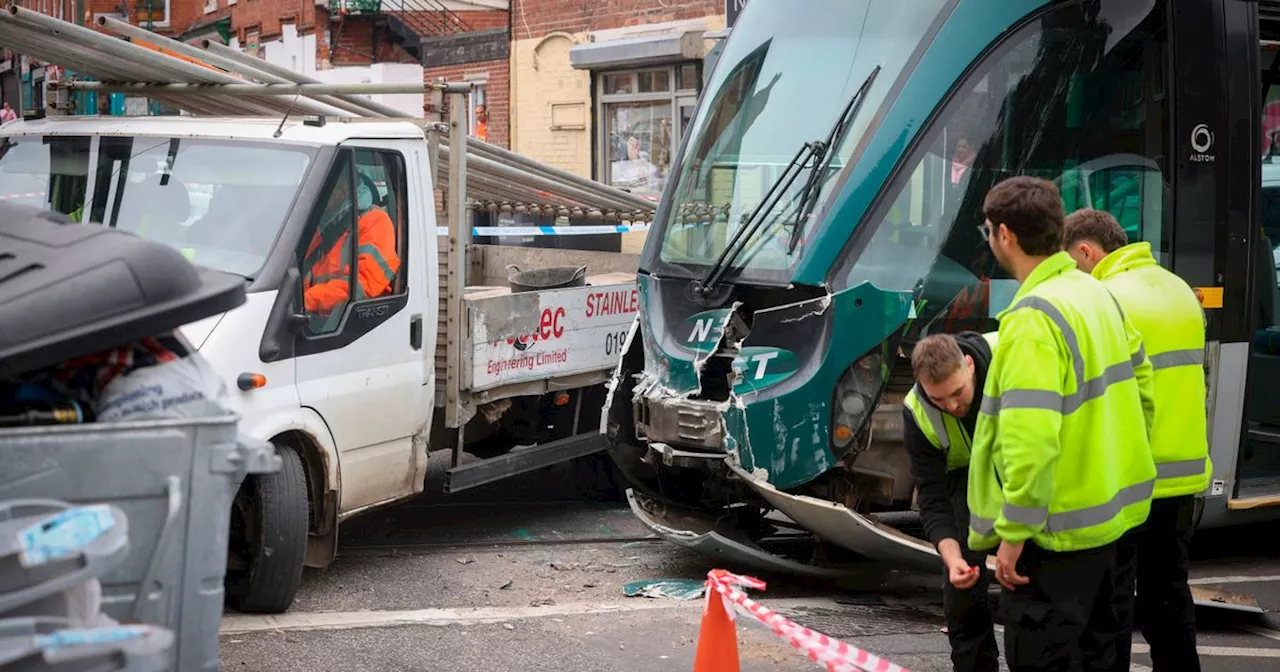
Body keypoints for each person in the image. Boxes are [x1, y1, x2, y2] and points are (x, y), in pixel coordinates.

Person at [967, 176, 1157, 672]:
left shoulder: (1033, 317)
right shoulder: (1096, 293)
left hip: (1056, 541)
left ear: (1004, 235)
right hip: (1113, 524)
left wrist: (1013, 535)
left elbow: (1030, 445)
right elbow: (1143, 389)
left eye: (988, 230)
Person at [1063, 208, 1208, 672]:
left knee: (1113, 605)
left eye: (1071, 261)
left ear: (1087, 251)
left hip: (1131, 479)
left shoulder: (1105, 298)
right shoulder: (1178, 288)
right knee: (1169, 597)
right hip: (1184, 476)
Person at [904, 331, 1000, 672]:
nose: (952, 407)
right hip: (965, 476)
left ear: (970, 365)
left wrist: (1014, 539)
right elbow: (932, 495)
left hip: (1022, 471)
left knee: (1029, 593)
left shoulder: (1013, 366)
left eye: (958, 393)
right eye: (939, 400)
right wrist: (953, 556)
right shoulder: (916, 410)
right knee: (961, 587)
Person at [302, 173, 400, 318]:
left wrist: (306, 300)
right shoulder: (326, 223)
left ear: (344, 191)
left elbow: (365, 285)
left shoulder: (375, 221)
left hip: (352, 321)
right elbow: (303, 270)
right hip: (316, 316)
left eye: (326, 189)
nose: (318, 196)